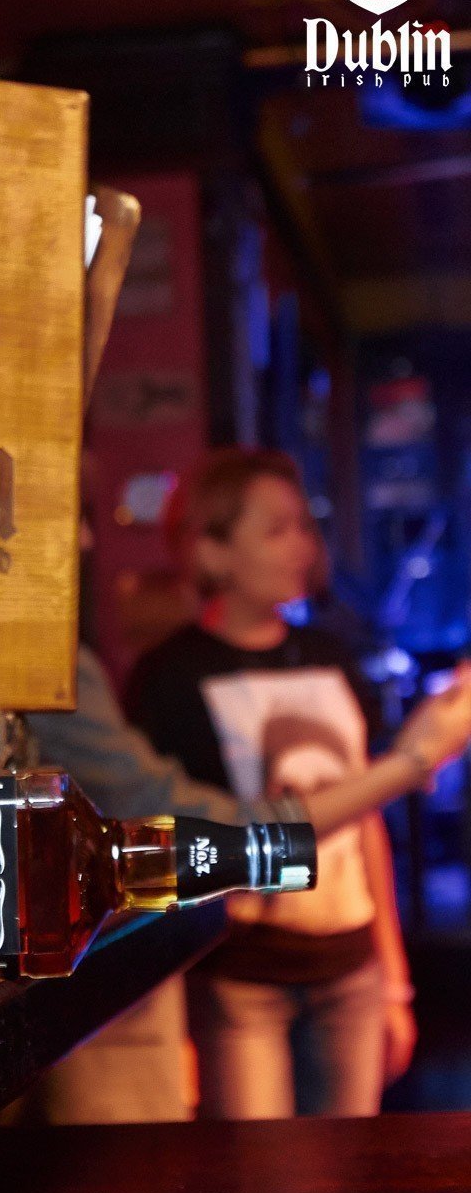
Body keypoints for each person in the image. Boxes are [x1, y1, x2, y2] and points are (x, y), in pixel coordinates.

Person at [121, 446, 433, 1119]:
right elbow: (162, 844)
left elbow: (363, 820)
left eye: (303, 526)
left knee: (348, 1168)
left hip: (350, 966)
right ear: (213, 551)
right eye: (275, 529)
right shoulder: (172, 675)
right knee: (260, 1174)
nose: (301, 546)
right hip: (241, 977)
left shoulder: (331, 655)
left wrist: (394, 981)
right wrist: (172, 1020)